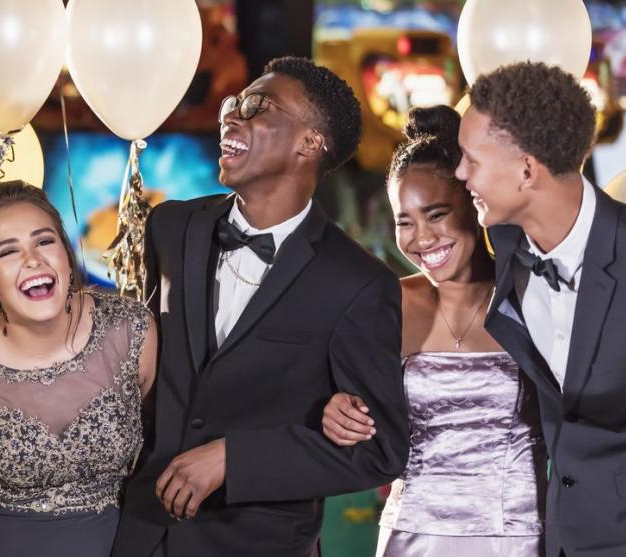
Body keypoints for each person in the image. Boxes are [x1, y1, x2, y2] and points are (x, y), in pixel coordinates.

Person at [113, 56, 408, 557]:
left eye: (255, 106)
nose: (231, 116)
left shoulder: (358, 283)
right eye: (232, 104)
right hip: (141, 534)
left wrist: (234, 459)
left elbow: (379, 450)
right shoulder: (169, 228)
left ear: (309, 143)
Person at [456, 61, 626, 556]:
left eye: (471, 160)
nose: (460, 174)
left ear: (526, 169)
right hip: (554, 539)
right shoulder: (503, 242)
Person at [321, 106, 546, 556]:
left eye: (437, 214)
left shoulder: (534, 298)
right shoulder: (382, 305)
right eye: (406, 221)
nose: (422, 239)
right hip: (413, 538)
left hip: (520, 538)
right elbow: (340, 401)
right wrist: (333, 409)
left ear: (475, 204)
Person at [0, 181, 158, 556]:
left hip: (114, 543)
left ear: (66, 254)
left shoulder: (131, 330)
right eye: (8, 251)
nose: (32, 260)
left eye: (44, 242)